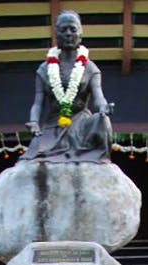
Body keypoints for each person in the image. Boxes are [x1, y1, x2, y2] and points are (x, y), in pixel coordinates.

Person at [22, 10, 114, 162]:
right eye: (63, 30)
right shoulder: (44, 69)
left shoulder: (90, 68)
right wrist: (33, 122)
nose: (68, 34)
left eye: (73, 29)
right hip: (54, 124)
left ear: (80, 34)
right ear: (56, 34)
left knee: (102, 121)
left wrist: (104, 108)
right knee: (33, 157)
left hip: (81, 123)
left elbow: (99, 96)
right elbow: (38, 102)